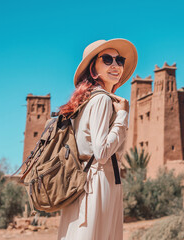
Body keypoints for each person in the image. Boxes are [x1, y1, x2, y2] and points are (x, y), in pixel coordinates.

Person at [57, 39, 138, 240]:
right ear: (93, 70)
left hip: (84, 183)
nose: (115, 65)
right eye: (107, 59)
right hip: (99, 182)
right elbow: (101, 152)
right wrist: (122, 116)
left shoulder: (85, 101)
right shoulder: (101, 99)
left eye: (120, 60)